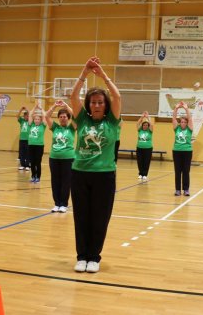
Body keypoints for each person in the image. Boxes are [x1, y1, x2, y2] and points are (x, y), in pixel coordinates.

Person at [70, 56, 121, 274]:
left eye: (100, 102)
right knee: (81, 217)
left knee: (99, 218)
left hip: (104, 176)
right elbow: (73, 96)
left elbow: (118, 96)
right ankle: (81, 257)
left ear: (105, 105)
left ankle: (94, 257)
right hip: (80, 174)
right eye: (93, 102)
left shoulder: (112, 121)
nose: (97, 105)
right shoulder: (82, 120)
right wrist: (84, 72)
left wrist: (103, 76)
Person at [45, 100, 76, 213]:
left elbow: (76, 116)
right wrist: (54, 106)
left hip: (68, 159)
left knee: (66, 182)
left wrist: (67, 106)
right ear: (59, 118)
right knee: (55, 181)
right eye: (61, 116)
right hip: (54, 158)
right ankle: (57, 203)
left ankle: (64, 204)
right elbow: (46, 116)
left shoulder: (71, 128)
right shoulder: (55, 127)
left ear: (68, 118)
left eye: (65, 116)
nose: (63, 118)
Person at [172, 101, 193, 196]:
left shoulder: (189, 129)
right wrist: (176, 108)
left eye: (185, 122)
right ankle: (177, 190)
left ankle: (186, 189)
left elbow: (190, 118)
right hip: (176, 151)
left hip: (187, 152)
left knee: (186, 171)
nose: (183, 123)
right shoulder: (177, 128)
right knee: (177, 171)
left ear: (187, 123)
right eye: (182, 122)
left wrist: (186, 108)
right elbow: (173, 118)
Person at [28, 103, 46, 183]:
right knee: (32, 162)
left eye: (38, 119)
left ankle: (38, 177)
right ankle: (33, 176)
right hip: (31, 146)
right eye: (35, 119)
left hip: (39, 146)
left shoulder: (42, 126)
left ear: (40, 120)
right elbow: (30, 114)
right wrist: (35, 107)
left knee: (38, 162)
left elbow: (45, 116)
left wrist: (41, 108)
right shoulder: (31, 125)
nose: (37, 120)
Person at [136, 111, 153, 182]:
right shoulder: (140, 130)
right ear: (142, 126)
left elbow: (151, 125)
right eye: (144, 125)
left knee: (146, 161)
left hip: (148, 148)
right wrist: (142, 117)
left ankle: (145, 174)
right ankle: (140, 174)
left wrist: (148, 117)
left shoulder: (150, 131)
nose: (145, 126)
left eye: (146, 125)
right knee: (140, 161)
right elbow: (137, 123)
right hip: (139, 148)